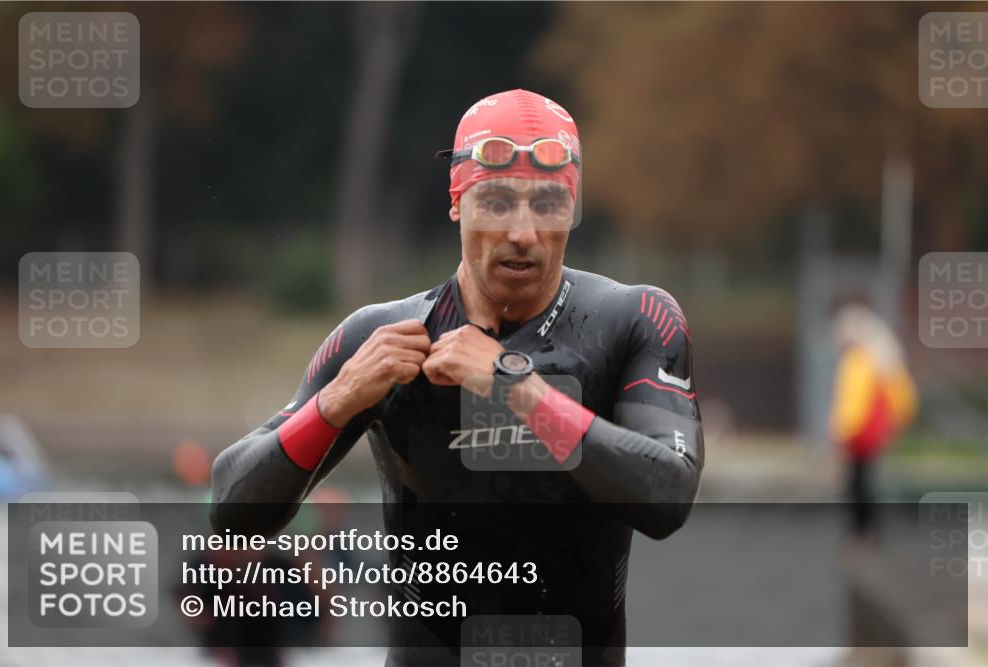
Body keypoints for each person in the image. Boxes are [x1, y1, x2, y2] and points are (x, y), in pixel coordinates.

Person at [211, 89, 705, 667]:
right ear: (457, 204)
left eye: (547, 204)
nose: (523, 231)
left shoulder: (635, 319)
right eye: (496, 203)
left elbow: (667, 494)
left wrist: (513, 386)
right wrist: (337, 403)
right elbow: (232, 510)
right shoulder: (380, 336)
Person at [829, 303, 917, 541]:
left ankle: (862, 531)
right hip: (872, 434)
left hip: (859, 435)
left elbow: (852, 403)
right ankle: (868, 531)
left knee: (857, 484)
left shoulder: (858, 361)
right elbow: (902, 399)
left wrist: (841, 432)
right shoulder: (881, 359)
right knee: (865, 482)